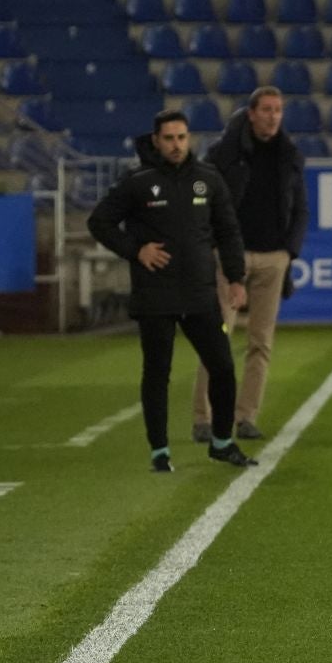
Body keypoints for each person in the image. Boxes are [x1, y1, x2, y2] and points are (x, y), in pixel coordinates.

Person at [87, 110, 258, 473]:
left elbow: (228, 231)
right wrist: (136, 250)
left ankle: (222, 443)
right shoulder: (137, 181)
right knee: (157, 373)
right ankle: (160, 451)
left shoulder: (208, 179)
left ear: (189, 139)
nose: (176, 145)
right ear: (156, 141)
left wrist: (236, 278)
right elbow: (99, 221)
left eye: (182, 137)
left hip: (201, 294)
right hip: (155, 296)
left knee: (223, 368)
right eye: (169, 138)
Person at [192, 87, 307, 445]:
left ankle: (246, 417)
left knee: (262, 342)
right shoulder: (223, 153)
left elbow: (300, 207)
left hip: (274, 257)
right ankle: (203, 418)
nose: (273, 116)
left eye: (279, 110)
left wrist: (289, 251)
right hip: (232, 256)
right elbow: (202, 199)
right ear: (252, 113)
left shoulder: (289, 155)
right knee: (217, 338)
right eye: (267, 110)